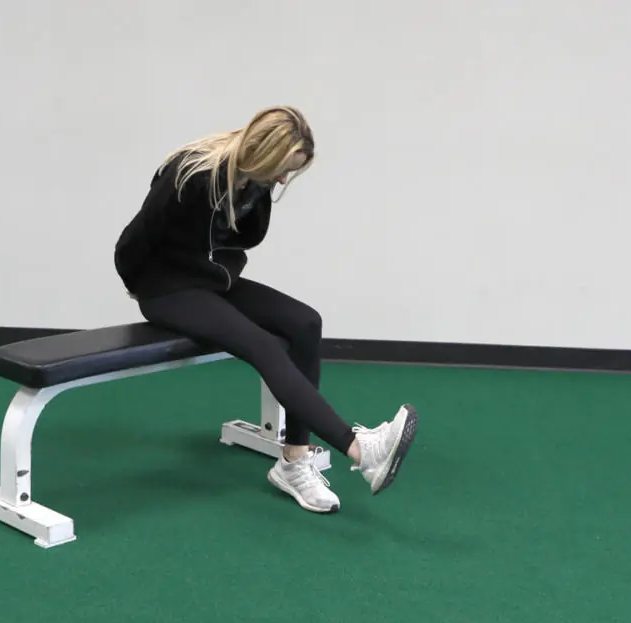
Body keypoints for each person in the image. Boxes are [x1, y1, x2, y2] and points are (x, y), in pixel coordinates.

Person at [113, 105, 417, 513]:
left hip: (212, 280)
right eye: (282, 168)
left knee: (305, 322)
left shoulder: (256, 184)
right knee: (263, 346)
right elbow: (133, 239)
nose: (283, 179)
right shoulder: (191, 174)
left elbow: (237, 242)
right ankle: (360, 450)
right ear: (263, 152)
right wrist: (142, 288)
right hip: (166, 290)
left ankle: (293, 462)